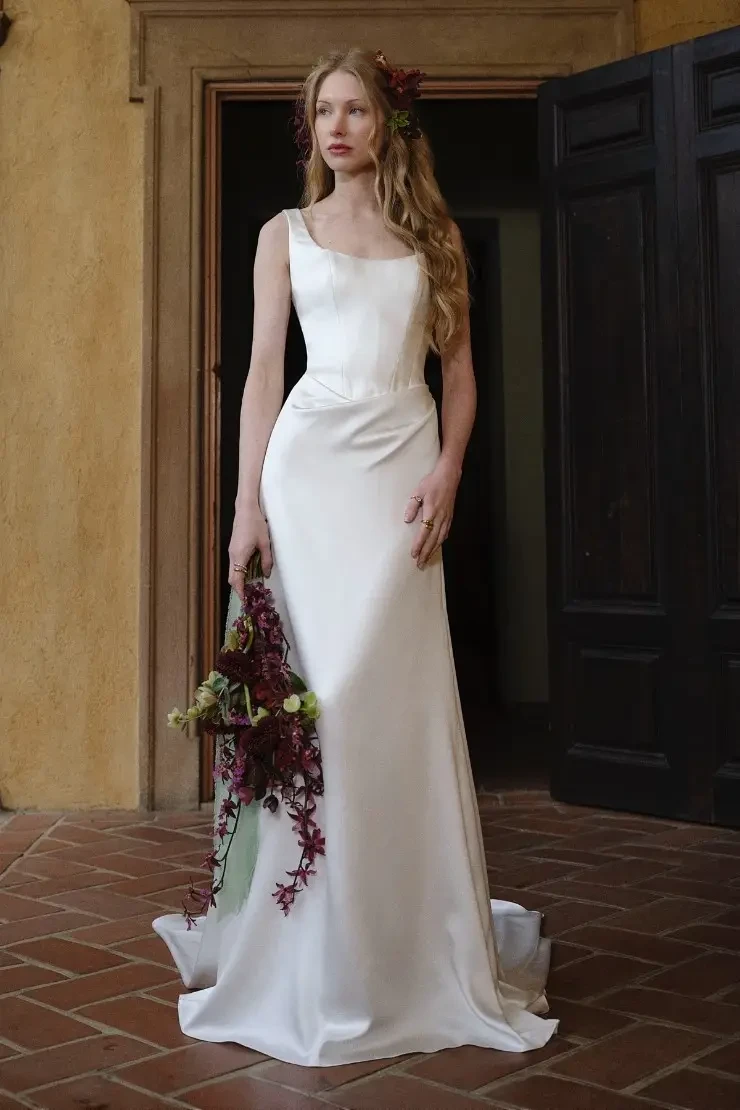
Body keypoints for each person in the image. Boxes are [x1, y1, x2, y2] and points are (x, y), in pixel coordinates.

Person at [154, 45, 559, 1067]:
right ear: (312, 130)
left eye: (354, 110)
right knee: (318, 698)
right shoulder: (282, 235)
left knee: (383, 699)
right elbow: (258, 376)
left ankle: (402, 943)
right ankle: (305, 950)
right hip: (306, 478)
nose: (336, 127)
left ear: (386, 126)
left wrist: (452, 471)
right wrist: (244, 506)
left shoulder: (432, 238)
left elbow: (458, 375)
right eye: (321, 112)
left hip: (399, 481)